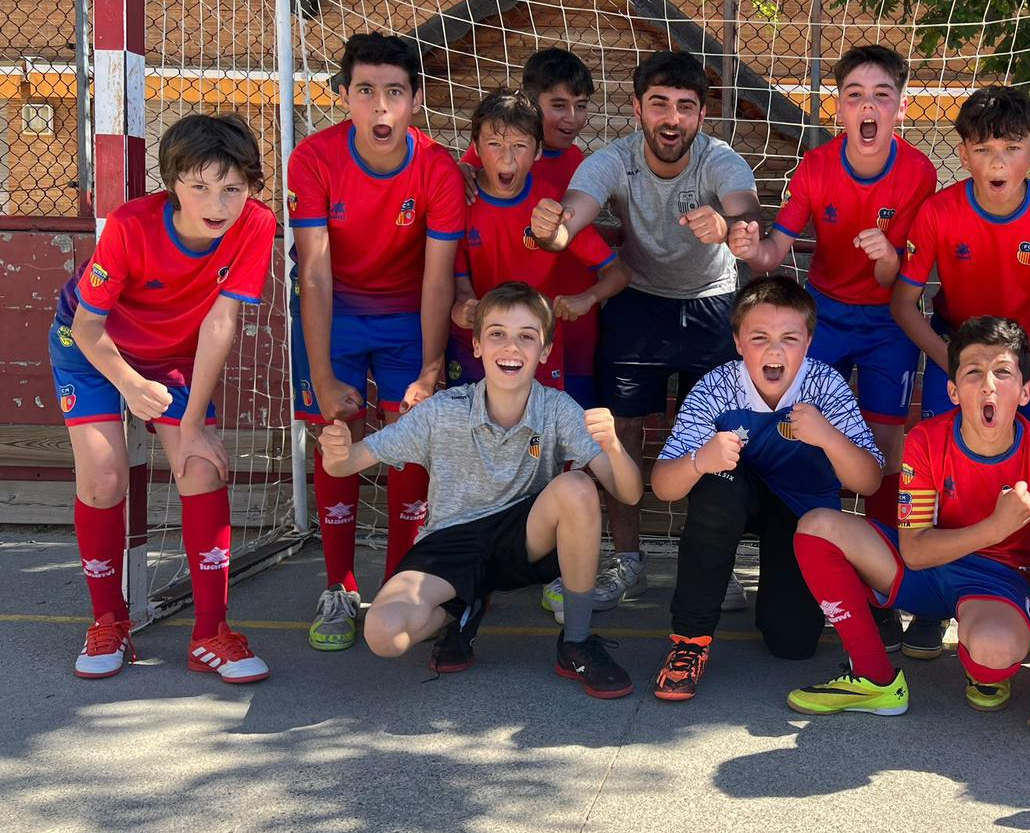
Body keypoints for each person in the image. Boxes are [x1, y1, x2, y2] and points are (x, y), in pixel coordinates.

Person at [317, 282, 643, 694]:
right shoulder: (442, 411)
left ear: (543, 352)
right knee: (384, 635)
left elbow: (628, 493)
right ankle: (462, 609)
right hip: (452, 543)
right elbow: (348, 462)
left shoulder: (558, 408)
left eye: (526, 337)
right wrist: (335, 452)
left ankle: (576, 641)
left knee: (578, 486)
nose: (511, 347)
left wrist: (612, 446)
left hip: (522, 538)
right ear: (476, 346)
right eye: (497, 334)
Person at [528, 50, 762, 620]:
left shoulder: (720, 160)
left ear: (700, 116)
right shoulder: (614, 160)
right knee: (622, 436)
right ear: (637, 108)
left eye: (685, 107)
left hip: (711, 307)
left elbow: (748, 213)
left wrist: (732, 227)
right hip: (639, 306)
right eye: (659, 103)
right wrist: (550, 232)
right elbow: (571, 220)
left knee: (722, 440)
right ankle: (628, 561)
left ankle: (715, 561)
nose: (672, 118)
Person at [724, 44, 938, 656]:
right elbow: (772, 254)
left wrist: (889, 259)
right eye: (854, 96)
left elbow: (899, 281)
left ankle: (882, 583)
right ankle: (806, 565)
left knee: (884, 446)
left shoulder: (919, 172)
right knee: (803, 429)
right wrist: (747, 246)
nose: (867, 106)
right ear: (838, 107)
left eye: (881, 95)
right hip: (826, 316)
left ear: (899, 106)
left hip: (888, 319)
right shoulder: (815, 168)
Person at [786, 317, 1030, 741]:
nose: (988, 385)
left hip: (994, 582)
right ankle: (875, 678)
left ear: (1024, 391)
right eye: (972, 373)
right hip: (925, 568)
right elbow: (914, 551)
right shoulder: (926, 439)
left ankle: (982, 661)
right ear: (952, 390)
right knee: (816, 527)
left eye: (1002, 372)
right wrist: (994, 527)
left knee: (994, 651)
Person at [55, 113, 276, 682]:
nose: (217, 202)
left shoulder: (256, 225)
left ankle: (211, 633)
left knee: (201, 467)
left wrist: (195, 423)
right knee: (103, 477)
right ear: (172, 181)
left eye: (232, 188)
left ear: (250, 187)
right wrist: (130, 387)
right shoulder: (132, 224)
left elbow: (221, 324)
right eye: (200, 185)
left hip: (174, 357)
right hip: (94, 350)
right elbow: (86, 328)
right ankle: (109, 621)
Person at [891, 84, 1030, 665]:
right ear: (963, 153)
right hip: (955, 354)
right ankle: (931, 608)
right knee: (939, 480)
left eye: (1011, 146)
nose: (997, 162)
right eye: (982, 149)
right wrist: (953, 362)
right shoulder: (938, 212)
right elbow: (905, 304)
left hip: (1023, 366)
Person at [288, 33, 467, 651]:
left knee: (410, 441)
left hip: (405, 316)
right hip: (332, 315)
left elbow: (439, 275)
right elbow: (312, 271)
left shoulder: (438, 168)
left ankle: (396, 582)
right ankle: (338, 587)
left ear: (415, 100)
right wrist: (322, 372)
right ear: (344, 97)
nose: (380, 107)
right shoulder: (312, 158)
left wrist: (431, 365)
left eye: (394, 92)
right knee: (336, 439)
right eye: (366, 91)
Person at [647, 277, 883, 700]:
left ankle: (803, 593)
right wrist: (701, 459)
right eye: (760, 337)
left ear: (808, 342)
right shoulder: (717, 386)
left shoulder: (826, 386)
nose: (775, 351)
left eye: (789, 338)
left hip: (799, 513)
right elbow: (664, 484)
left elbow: (867, 480)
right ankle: (690, 641)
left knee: (792, 645)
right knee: (717, 491)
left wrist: (829, 436)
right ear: (738, 342)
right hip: (737, 497)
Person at [446, 89, 631, 399]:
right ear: (476, 147)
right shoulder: (458, 200)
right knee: (468, 436)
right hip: (474, 343)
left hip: (535, 345)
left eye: (519, 146)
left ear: (537, 152)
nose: (507, 158)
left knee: (537, 442)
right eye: (495, 145)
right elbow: (457, 280)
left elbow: (619, 273)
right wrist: (462, 306)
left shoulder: (550, 207)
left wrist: (587, 298)